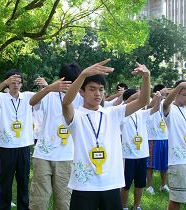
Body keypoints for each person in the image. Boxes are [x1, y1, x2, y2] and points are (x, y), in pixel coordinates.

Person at [62, 60, 150, 210]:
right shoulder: (76, 116)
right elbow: (66, 102)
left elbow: (143, 101)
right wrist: (83, 74)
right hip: (84, 186)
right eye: (92, 89)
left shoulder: (113, 113)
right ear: (81, 92)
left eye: (101, 89)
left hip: (111, 184)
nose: (98, 93)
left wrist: (146, 77)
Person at [29, 63, 82, 210]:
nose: (69, 86)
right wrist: (49, 88)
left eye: (74, 82)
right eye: (67, 82)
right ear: (60, 79)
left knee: (63, 201)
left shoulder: (80, 98)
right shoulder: (50, 94)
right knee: (39, 199)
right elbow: (32, 102)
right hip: (43, 155)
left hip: (66, 156)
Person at [0, 70, 33, 210]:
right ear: (8, 83)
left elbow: (43, 96)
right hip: (6, 147)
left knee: (23, 182)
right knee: (5, 182)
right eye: (13, 82)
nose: (16, 85)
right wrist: (4, 83)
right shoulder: (2, 97)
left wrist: (45, 87)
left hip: (24, 146)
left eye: (18, 82)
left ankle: (23, 207)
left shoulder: (27, 96)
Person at [120, 89, 161, 210]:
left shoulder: (141, 113)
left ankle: (137, 206)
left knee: (140, 184)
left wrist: (158, 99)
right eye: (137, 98)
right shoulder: (122, 113)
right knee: (125, 185)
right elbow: (123, 105)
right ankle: (124, 206)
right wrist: (133, 97)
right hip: (127, 156)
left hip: (142, 154)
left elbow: (154, 109)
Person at [163, 80, 186, 210]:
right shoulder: (170, 109)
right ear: (176, 93)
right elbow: (165, 103)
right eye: (184, 94)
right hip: (179, 161)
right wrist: (180, 86)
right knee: (176, 199)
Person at [146, 84, 170, 195]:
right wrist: (158, 96)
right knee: (150, 165)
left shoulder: (167, 103)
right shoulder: (151, 100)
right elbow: (149, 106)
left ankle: (164, 185)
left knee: (164, 164)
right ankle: (149, 186)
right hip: (152, 138)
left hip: (165, 137)